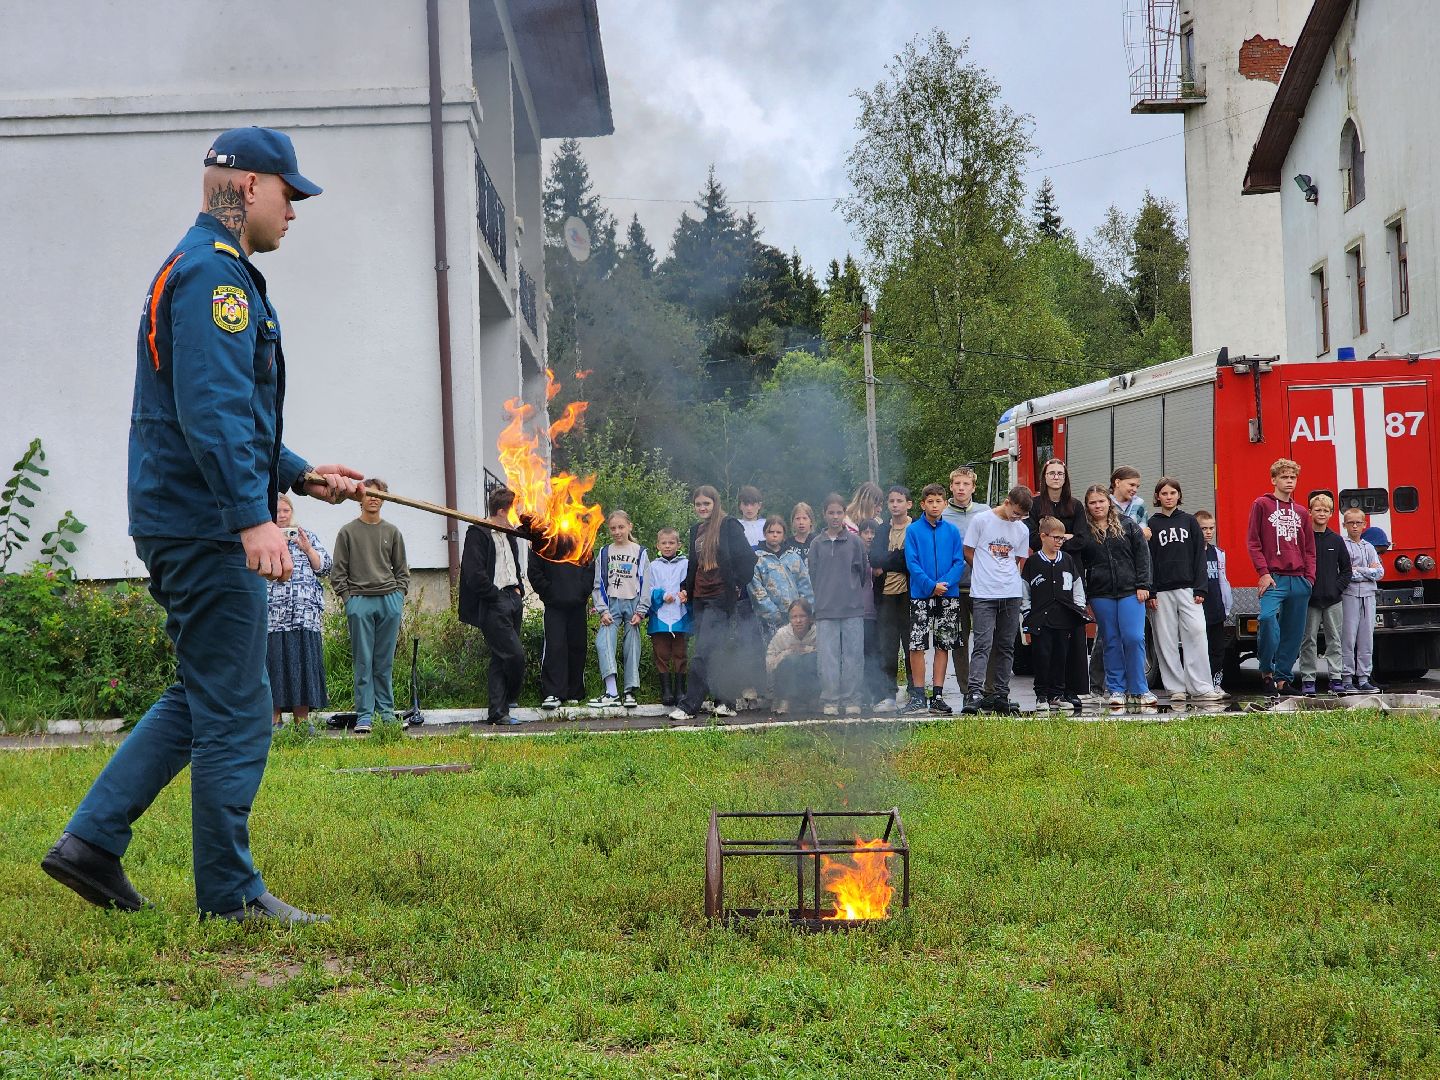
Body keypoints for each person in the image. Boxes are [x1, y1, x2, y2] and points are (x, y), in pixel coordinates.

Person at [42, 126, 364, 925]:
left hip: (188, 514)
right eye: (289, 193)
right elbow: (212, 413)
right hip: (205, 524)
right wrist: (253, 518)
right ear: (249, 186)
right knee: (242, 706)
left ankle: (90, 842)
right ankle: (231, 895)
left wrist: (298, 475)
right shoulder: (214, 280)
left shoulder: (205, 270)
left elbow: (231, 415)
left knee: (207, 692)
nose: (296, 210)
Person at [670, 486, 758, 722]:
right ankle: (725, 702)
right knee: (715, 651)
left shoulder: (729, 526)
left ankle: (689, 706)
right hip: (700, 597)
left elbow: (749, 559)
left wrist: (737, 584)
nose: (702, 508)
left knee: (701, 652)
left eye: (706, 504)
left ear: (715, 504)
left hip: (720, 598)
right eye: (698, 504)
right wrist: (686, 588)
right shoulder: (696, 530)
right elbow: (693, 565)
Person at [333, 480, 411, 734]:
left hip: (389, 600)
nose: (373, 499)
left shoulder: (392, 531)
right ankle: (365, 715)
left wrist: (398, 598)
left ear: (384, 499)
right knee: (363, 660)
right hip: (359, 601)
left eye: (378, 495)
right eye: (369, 495)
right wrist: (349, 601)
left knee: (384, 660)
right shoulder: (347, 532)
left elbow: (402, 571)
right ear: (360, 498)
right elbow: (338, 572)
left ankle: (386, 713)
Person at [1079, 484, 1156, 710]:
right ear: (1087, 506)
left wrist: (1144, 585)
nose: (1097, 506)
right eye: (1092, 503)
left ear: (1108, 502)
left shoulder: (1127, 525)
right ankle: (1116, 689)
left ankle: (1139, 689)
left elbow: (1143, 556)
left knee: (1134, 637)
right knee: (1110, 640)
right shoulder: (1085, 530)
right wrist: (1085, 594)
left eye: (1101, 501)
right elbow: (1079, 563)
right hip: (1101, 594)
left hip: (1131, 591)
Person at [1147, 478, 1223, 703]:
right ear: (1158, 497)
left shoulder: (1189, 522)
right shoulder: (1151, 525)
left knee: (1198, 633)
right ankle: (1175, 687)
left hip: (1189, 589)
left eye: (1173, 493)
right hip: (1161, 591)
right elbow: (1148, 560)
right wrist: (1150, 591)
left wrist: (1201, 587)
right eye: (1164, 493)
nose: (1169, 497)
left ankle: (1201, 686)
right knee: (1166, 639)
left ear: (1179, 496)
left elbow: (1200, 556)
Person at [458, 486, 529, 724]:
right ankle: (509, 698)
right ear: (501, 511)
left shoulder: (508, 533)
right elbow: (474, 573)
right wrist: (494, 595)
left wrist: (519, 590)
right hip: (494, 601)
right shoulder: (478, 533)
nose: (517, 518)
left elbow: (513, 566)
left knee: (501, 657)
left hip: (513, 598)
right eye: (513, 512)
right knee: (514, 655)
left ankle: (498, 712)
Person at [1246, 458, 1316, 696]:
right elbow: (1253, 542)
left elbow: (1309, 548)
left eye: (1292, 477)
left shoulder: (1301, 512)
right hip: (1273, 578)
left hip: (1299, 579)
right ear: (1274, 479)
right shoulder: (1262, 505)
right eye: (1284, 477)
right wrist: (1263, 573)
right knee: (1266, 619)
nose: (1289, 481)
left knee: (1293, 632)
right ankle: (1266, 672)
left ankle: (1283, 680)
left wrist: (1309, 579)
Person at [962, 486, 1033, 714]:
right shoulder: (981, 520)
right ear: (1006, 502)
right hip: (984, 593)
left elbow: (1018, 558)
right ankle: (974, 692)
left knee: (1006, 645)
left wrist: (1006, 576)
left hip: (1011, 593)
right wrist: (984, 570)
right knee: (983, 644)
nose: (1017, 518)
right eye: (1015, 513)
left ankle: (1001, 692)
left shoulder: (1021, 529)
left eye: (1022, 516)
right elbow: (968, 550)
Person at [265, 494, 332, 728]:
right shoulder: (263, 539)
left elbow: (324, 568)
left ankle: (301, 722)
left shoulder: (307, 536)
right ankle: (274, 720)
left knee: (302, 664)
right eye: (277, 511)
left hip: (304, 616)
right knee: (273, 665)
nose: (282, 516)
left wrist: (307, 548)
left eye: (286, 511)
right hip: (272, 616)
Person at [1027, 458, 1087, 699]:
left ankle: (1072, 691)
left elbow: (1083, 539)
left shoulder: (1075, 505)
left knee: (1071, 638)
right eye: (1051, 473)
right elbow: (1031, 538)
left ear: (1065, 477)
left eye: (1060, 473)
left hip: (1069, 571)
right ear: (1044, 477)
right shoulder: (1034, 505)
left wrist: (1056, 539)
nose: (1055, 477)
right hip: (1042, 573)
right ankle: (1046, 692)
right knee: (1047, 643)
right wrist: (1062, 538)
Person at [904, 483, 966, 715]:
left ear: (945, 503)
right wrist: (931, 585)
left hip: (948, 595)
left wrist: (945, 585)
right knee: (917, 644)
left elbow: (958, 562)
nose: (934, 505)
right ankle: (918, 695)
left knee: (944, 644)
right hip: (921, 594)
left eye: (939, 501)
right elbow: (912, 562)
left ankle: (938, 695)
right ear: (922, 504)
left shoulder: (951, 531)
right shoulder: (913, 530)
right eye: (930, 501)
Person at [809, 494, 870, 716]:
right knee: (828, 658)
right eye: (831, 513)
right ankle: (830, 699)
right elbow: (813, 575)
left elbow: (863, 573)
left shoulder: (855, 542)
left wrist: (851, 593)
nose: (835, 517)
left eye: (839, 512)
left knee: (853, 655)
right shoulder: (816, 544)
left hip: (852, 608)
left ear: (845, 514)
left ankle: (852, 698)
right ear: (824, 514)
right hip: (825, 609)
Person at [1021, 516, 1088, 713]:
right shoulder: (1033, 562)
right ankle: (1042, 695)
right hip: (1041, 620)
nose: (1059, 542)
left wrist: (1079, 608)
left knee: (1061, 656)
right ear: (1043, 536)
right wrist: (1027, 613)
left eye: (1062, 539)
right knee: (1042, 656)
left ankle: (1057, 694)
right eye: (1056, 538)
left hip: (1063, 619)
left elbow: (1077, 585)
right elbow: (1025, 590)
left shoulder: (1067, 560)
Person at [941, 466, 993, 698]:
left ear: (973, 487)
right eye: (957, 484)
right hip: (953, 587)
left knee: (986, 639)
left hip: (981, 586)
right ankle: (966, 689)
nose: (961, 488)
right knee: (959, 640)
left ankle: (989, 688)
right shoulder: (941, 513)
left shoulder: (985, 512)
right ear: (951, 486)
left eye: (966, 484)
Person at [590, 509, 649, 709]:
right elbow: (598, 583)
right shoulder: (605, 552)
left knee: (632, 645)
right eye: (613, 528)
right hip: (611, 604)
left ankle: (629, 691)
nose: (617, 532)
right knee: (603, 642)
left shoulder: (640, 552)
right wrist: (602, 609)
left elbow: (646, 583)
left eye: (621, 527)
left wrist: (641, 611)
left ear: (629, 527)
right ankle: (612, 691)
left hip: (633, 603)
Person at [1295, 493, 1351, 696]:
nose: (1321, 513)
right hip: (1309, 600)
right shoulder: (1302, 538)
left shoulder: (1336, 540)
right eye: (1317, 510)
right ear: (1309, 512)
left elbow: (1346, 570)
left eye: (1325, 510)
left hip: (1333, 601)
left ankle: (1336, 679)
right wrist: (1304, 589)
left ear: (1331, 513)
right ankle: (1308, 680)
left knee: (1334, 640)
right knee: (1307, 640)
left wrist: (1336, 589)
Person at [528, 544, 594, 712]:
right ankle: (553, 692)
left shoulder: (582, 536)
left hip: (577, 604)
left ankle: (575, 691)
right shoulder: (543, 539)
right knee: (554, 646)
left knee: (577, 646)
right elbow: (535, 573)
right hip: (554, 605)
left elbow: (590, 569)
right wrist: (549, 593)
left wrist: (582, 592)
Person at [633, 527, 692, 708]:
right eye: (664, 543)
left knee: (680, 653)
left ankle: (680, 689)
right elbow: (646, 588)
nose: (667, 546)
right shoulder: (653, 566)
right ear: (657, 545)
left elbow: (692, 583)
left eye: (671, 543)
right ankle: (666, 690)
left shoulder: (686, 564)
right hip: (660, 617)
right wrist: (661, 594)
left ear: (678, 544)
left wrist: (686, 593)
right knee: (661, 653)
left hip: (680, 615)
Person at [870, 485, 914, 712]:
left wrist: (887, 562)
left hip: (909, 595)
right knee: (887, 647)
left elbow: (910, 560)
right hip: (885, 596)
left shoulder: (915, 528)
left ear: (909, 504)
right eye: (891, 501)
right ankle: (888, 694)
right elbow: (873, 557)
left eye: (899, 500)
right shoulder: (881, 529)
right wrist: (895, 558)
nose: (895, 504)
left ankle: (914, 691)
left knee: (910, 645)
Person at [1339, 510, 1384, 694]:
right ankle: (1347, 678)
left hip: (1369, 595)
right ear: (1344, 525)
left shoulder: (1369, 547)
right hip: (1349, 595)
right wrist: (1368, 571)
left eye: (1358, 522)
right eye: (1351, 523)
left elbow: (1380, 573)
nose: (1355, 526)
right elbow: (1346, 573)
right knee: (1348, 637)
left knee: (1366, 638)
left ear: (1364, 524)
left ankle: (1364, 678)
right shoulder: (1342, 545)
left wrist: (1360, 569)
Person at [749, 516, 812, 640]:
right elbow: (757, 591)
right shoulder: (756, 559)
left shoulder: (793, 557)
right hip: (769, 620)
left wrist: (806, 611)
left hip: (796, 617)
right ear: (764, 533)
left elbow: (805, 585)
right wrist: (774, 614)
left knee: (797, 654)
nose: (774, 535)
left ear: (784, 535)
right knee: (774, 653)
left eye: (778, 532)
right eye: (771, 532)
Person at [1194, 510, 1235, 690]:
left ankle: (1216, 683)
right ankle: (1199, 683)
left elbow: (1223, 580)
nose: (1208, 532)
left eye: (1211, 528)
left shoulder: (1217, 553)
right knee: (1199, 649)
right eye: (1204, 528)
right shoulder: (1191, 553)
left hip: (1216, 608)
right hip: (1197, 609)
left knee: (1217, 649)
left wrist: (1226, 607)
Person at [766, 598, 819, 715]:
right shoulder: (782, 635)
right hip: (785, 681)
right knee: (789, 661)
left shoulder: (818, 633)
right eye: (794, 617)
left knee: (812, 659)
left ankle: (813, 700)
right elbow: (769, 664)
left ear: (810, 618)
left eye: (802, 616)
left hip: (810, 680)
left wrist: (806, 650)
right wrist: (788, 652)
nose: (798, 621)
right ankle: (785, 701)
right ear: (790, 619)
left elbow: (827, 657)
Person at [857, 518, 887, 708]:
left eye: (872, 532)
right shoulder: (854, 554)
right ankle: (861, 693)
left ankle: (878, 693)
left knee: (876, 654)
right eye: (865, 532)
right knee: (859, 655)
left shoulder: (881, 555)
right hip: (859, 613)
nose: (869, 536)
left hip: (878, 613)